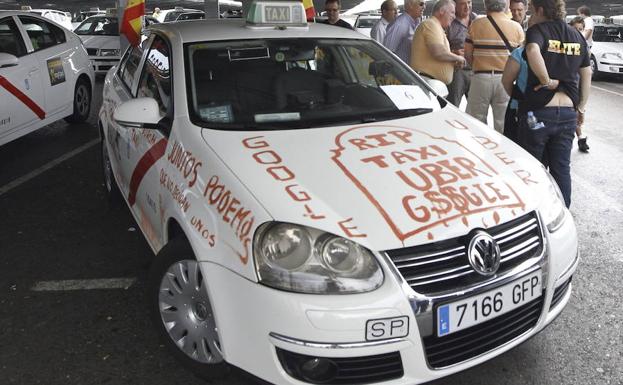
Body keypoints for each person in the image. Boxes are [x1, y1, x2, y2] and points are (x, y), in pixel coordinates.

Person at [518, 0, 591, 207]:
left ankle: (536, 213)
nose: (531, 15)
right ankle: (562, 214)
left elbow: (532, 51)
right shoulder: (576, 35)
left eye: (532, 10)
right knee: (561, 169)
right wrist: (581, 107)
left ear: (540, 10)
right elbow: (586, 74)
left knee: (533, 168)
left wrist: (546, 81)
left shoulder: (538, 30)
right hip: (568, 113)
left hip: (538, 112)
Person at [464, 0, 524, 133]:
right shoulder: (516, 28)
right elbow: (521, 59)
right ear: (506, 6)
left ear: (486, 5)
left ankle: (479, 149)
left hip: (481, 78)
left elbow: (467, 54)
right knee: (503, 122)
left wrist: (478, 65)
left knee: (476, 122)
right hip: (506, 80)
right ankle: (501, 151)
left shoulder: (476, 24)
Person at [411, 0, 466, 85]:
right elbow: (439, 53)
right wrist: (459, 58)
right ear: (441, 11)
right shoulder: (431, 24)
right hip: (426, 81)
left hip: (430, 82)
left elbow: (438, 55)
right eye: (452, 12)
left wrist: (453, 60)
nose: (454, 16)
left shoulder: (436, 26)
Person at [445, 0, 476, 106]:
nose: (467, 6)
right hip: (457, 71)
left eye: (469, 2)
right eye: (463, 3)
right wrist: (453, 52)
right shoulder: (448, 23)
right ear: (455, 5)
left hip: (476, 71)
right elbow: (441, 48)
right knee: (452, 105)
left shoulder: (477, 20)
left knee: (476, 110)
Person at [569, 16, 590, 152]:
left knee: (576, 111)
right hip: (569, 85)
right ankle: (580, 137)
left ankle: (580, 137)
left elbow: (586, 72)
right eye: (576, 29)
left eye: (581, 29)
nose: (578, 32)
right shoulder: (567, 44)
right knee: (573, 112)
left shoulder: (584, 45)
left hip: (579, 83)